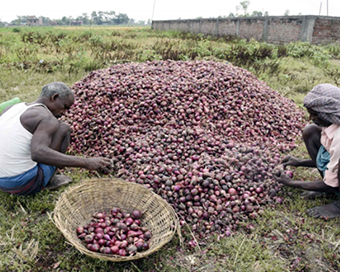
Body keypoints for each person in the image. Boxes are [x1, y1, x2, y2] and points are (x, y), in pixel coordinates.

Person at [0, 82, 112, 195]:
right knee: (63, 128)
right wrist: (86, 162)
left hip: (1, 181)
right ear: (54, 97)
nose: (64, 113)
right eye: (65, 107)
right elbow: (38, 153)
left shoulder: (11, 108)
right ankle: (48, 180)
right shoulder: (46, 118)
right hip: (22, 184)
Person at [275, 83, 340, 219]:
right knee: (310, 131)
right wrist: (299, 162)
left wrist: (291, 183)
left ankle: (337, 206)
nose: (311, 119)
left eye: (314, 115)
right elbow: (332, 159)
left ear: (326, 113)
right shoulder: (332, 124)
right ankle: (331, 190)